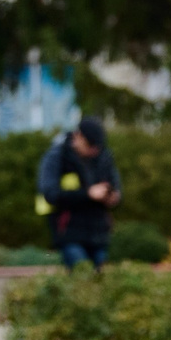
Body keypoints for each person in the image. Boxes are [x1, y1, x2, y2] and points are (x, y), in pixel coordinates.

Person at [37, 115, 121, 269]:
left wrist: (111, 197)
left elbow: (116, 188)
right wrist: (87, 194)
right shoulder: (57, 156)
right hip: (70, 234)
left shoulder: (102, 156)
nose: (94, 151)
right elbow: (50, 194)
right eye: (91, 146)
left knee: (102, 282)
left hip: (100, 234)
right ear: (78, 137)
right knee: (81, 276)